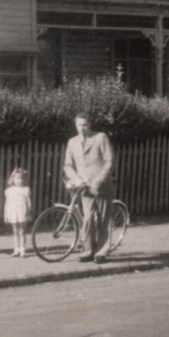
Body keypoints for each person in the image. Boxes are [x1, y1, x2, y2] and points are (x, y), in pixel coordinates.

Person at [63, 112, 115, 264]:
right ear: (75, 125)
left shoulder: (100, 138)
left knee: (103, 219)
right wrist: (76, 179)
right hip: (85, 187)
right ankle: (88, 251)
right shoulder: (72, 142)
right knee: (88, 219)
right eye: (79, 125)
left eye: (85, 125)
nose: (82, 128)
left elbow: (109, 161)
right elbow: (67, 166)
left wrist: (99, 180)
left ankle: (102, 252)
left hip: (102, 186)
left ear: (90, 124)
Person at [4, 167, 32, 258]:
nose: (20, 180)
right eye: (17, 178)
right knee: (15, 232)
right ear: (13, 179)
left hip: (22, 213)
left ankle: (22, 250)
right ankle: (16, 250)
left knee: (22, 231)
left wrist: (28, 213)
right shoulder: (9, 191)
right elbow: (7, 203)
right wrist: (6, 215)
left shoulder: (25, 190)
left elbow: (28, 202)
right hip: (13, 213)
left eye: (22, 178)